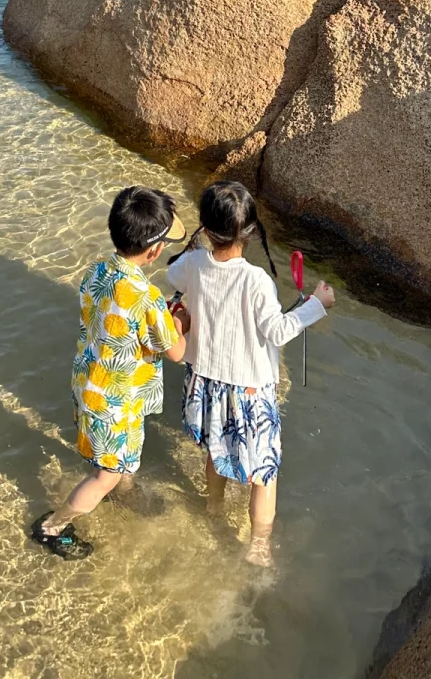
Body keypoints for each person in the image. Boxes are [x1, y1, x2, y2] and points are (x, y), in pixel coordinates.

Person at [167, 180, 334, 568]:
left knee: (217, 451)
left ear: (205, 227)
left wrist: (194, 250)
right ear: (252, 230)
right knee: (264, 473)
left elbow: (172, 276)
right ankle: (258, 546)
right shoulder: (257, 280)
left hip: (206, 383)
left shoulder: (192, 264)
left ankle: (213, 506)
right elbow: (278, 331)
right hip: (249, 392)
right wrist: (316, 304)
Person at [31, 185, 188, 559]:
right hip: (117, 402)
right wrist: (179, 322)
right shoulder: (148, 297)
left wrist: (159, 318)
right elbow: (176, 352)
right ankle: (52, 527)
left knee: (118, 459)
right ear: (154, 250)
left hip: (91, 383)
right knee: (105, 475)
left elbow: (116, 320)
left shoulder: (96, 271)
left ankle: (123, 489)